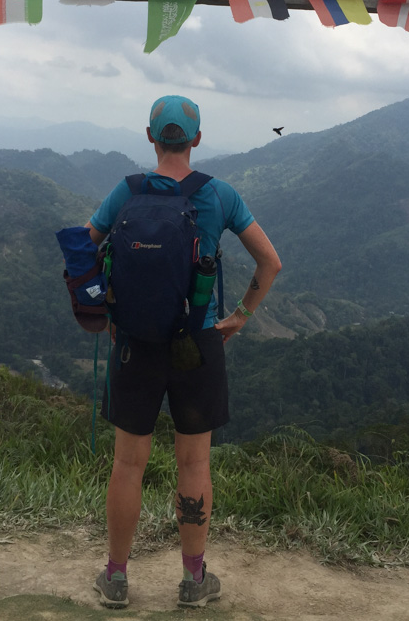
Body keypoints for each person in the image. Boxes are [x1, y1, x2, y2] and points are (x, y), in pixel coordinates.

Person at [84, 95, 281, 609]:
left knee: (128, 465)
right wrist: (240, 315)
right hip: (198, 343)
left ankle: (117, 578)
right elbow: (270, 262)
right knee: (194, 464)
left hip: (133, 346)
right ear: (196, 139)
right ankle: (193, 582)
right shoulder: (219, 195)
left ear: (150, 137)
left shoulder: (124, 193)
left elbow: (83, 250)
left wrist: (102, 312)